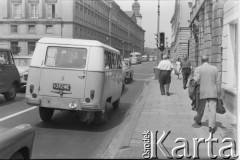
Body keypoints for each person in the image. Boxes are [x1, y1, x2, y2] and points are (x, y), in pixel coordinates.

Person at [193, 56, 221, 133]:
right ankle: (211, 127)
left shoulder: (198, 69)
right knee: (212, 110)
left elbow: (196, 80)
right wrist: (219, 93)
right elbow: (218, 81)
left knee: (200, 108)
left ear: (201, 60)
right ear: (208, 60)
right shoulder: (215, 68)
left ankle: (198, 120)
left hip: (202, 91)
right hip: (213, 91)